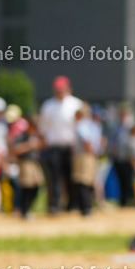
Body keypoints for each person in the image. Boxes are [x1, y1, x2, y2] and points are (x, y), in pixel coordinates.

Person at [39, 76, 83, 213]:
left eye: (62, 90)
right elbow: (43, 129)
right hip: (54, 146)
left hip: (71, 147)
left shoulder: (76, 104)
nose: (59, 93)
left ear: (68, 89)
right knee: (55, 178)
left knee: (72, 177)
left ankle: (72, 204)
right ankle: (55, 205)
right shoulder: (48, 106)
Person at [10, 115, 44, 218]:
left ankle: (27, 209)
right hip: (25, 162)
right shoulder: (23, 136)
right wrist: (28, 145)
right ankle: (23, 210)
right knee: (26, 187)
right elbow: (14, 150)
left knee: (36, 186)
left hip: (35, 163)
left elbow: (41, 146)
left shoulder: (35, 136)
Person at [73, 103, 103, 216]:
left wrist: (92, 153)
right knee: (88, 182)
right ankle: (87, 207)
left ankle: (85, 208)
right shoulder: (93, 125)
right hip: (90, 154)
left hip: (85, 155)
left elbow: (86, 141)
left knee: (83, 182)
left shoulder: (82, 125)